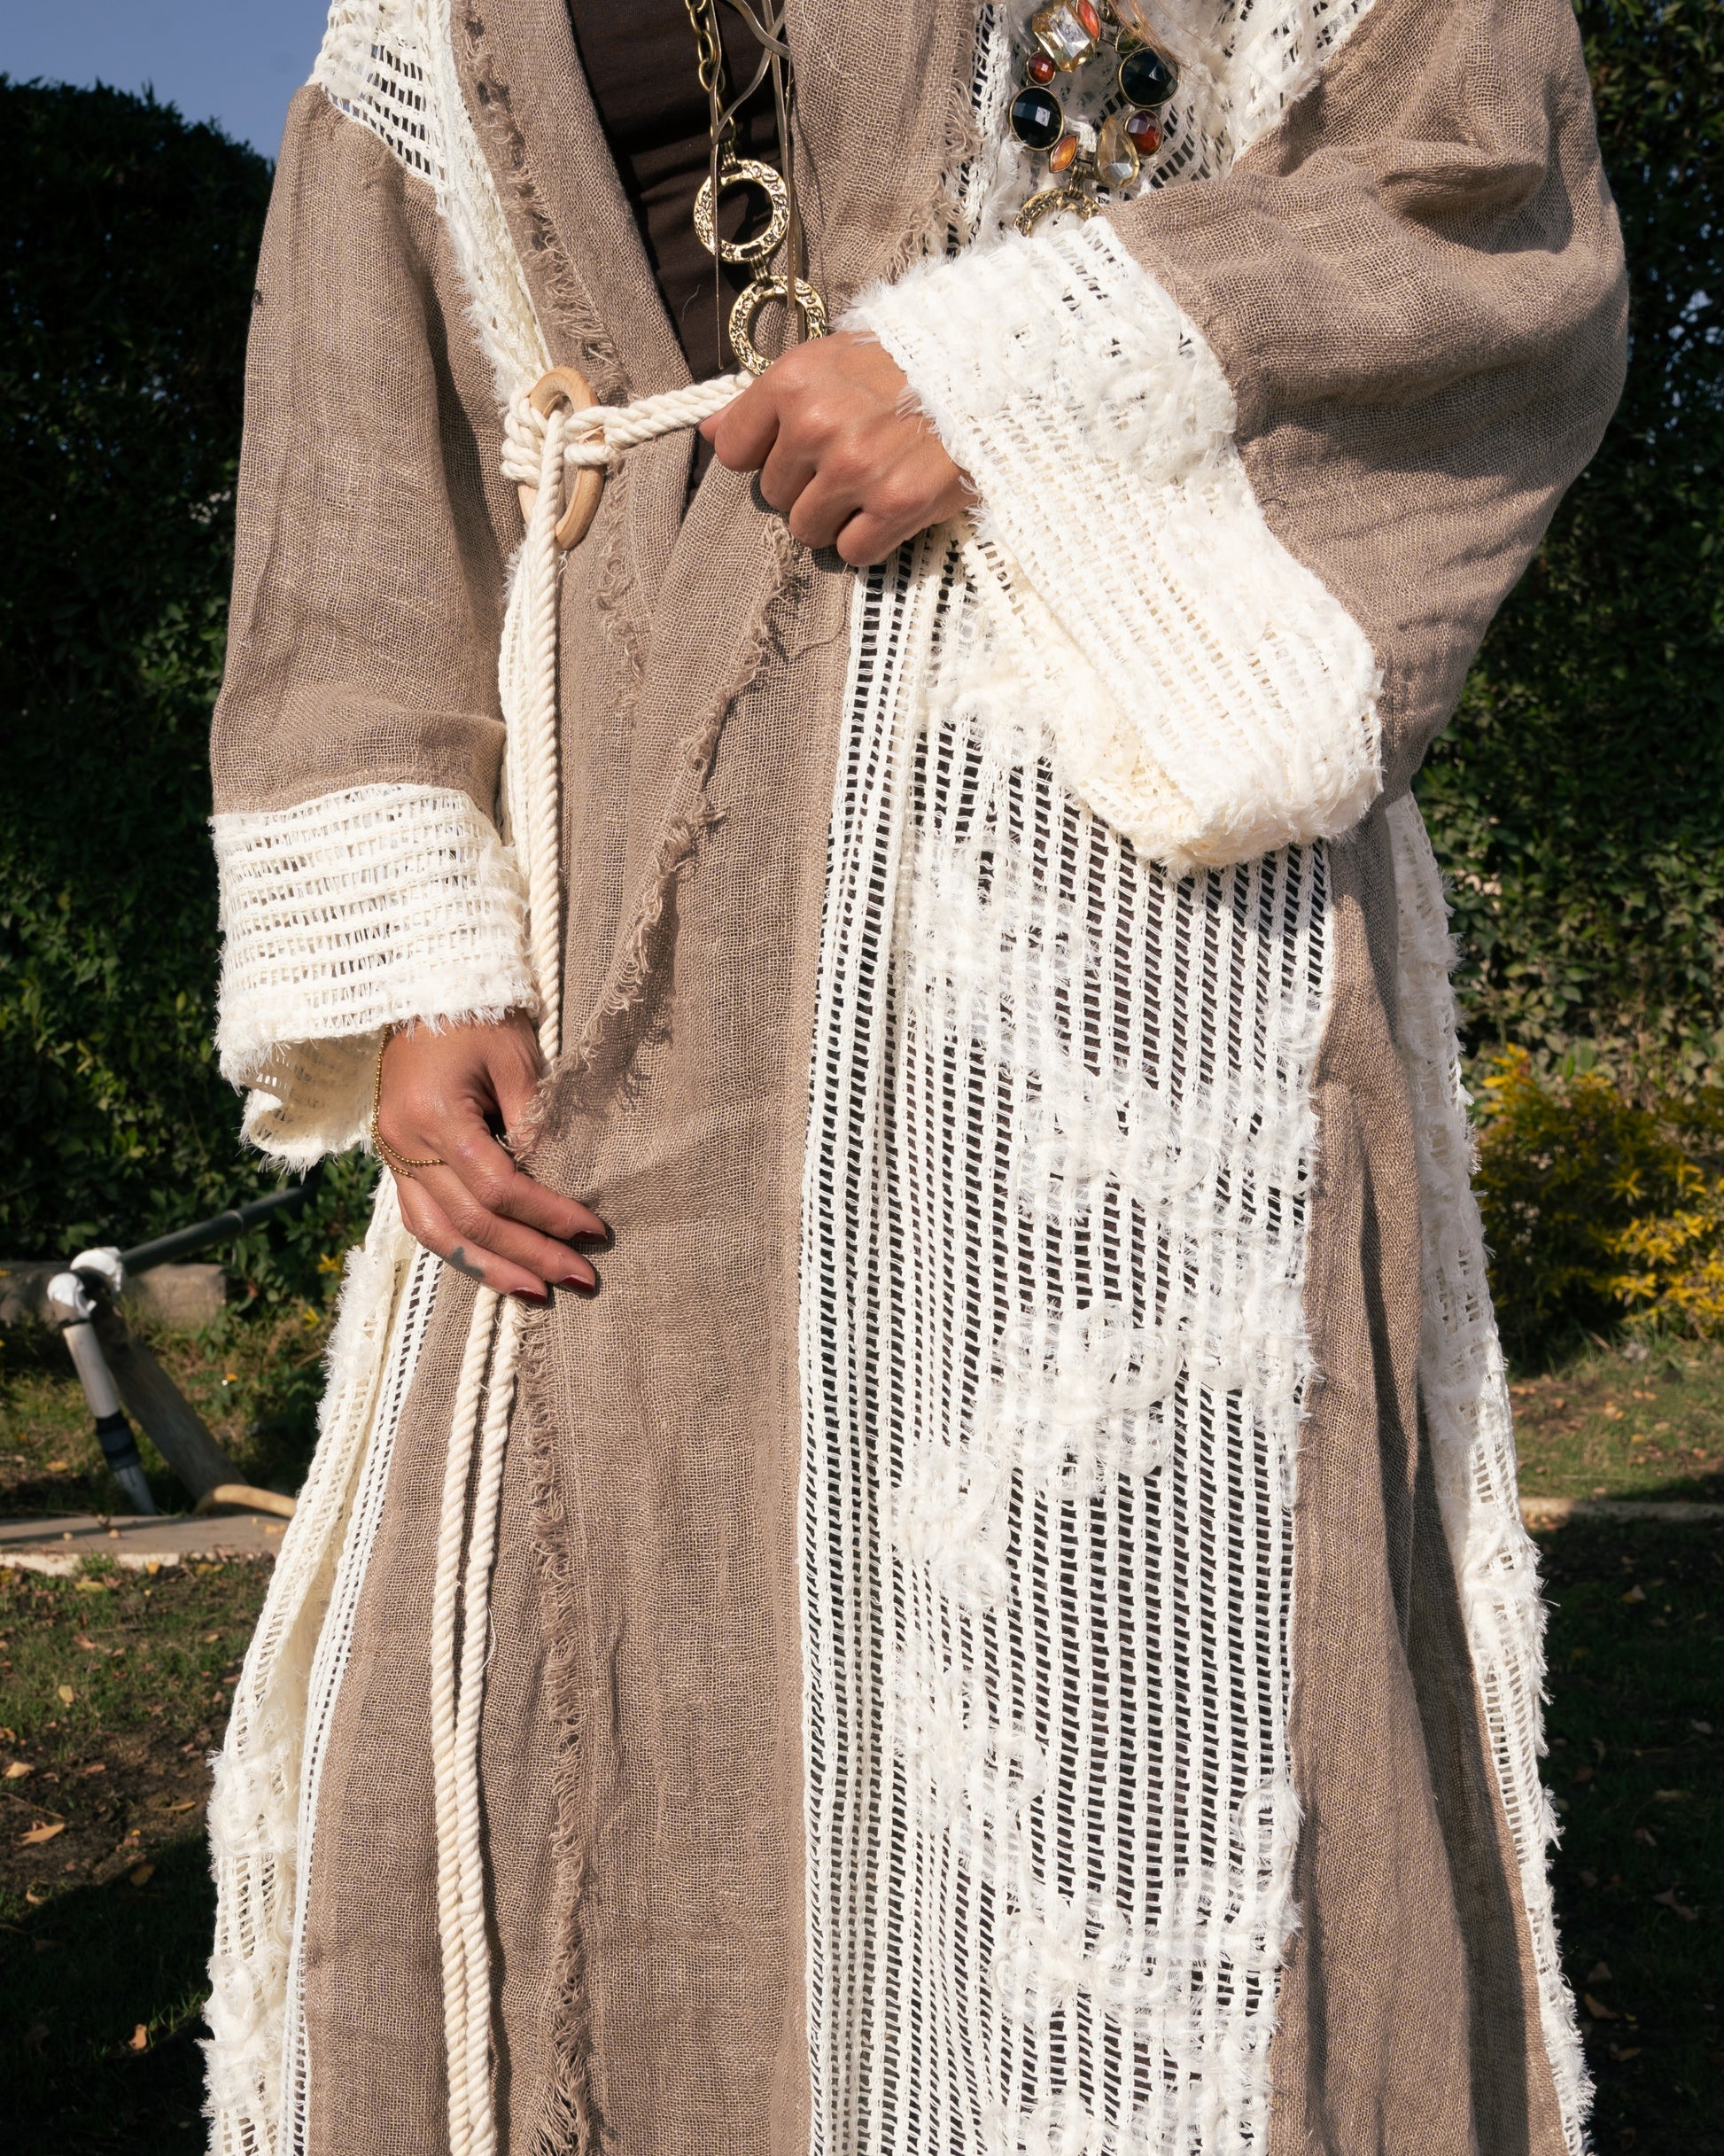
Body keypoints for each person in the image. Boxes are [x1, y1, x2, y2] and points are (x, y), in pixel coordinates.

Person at [203, 3, 1627, 2152]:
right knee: (605, 1687)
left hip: (1086, 931)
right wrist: (411, 949)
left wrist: (1015, 367)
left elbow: (1479, 196)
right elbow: (360, 429)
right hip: (605, 918)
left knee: (1108, 1733)